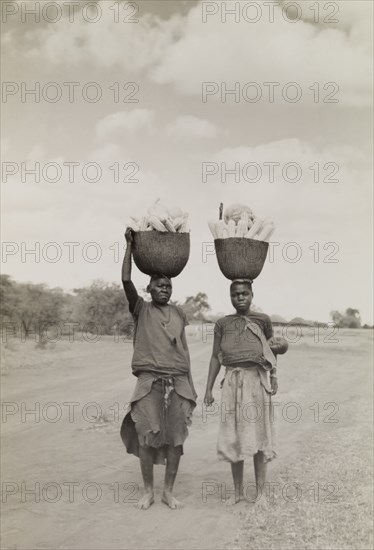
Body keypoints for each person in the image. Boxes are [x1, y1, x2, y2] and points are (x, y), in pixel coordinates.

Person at [120, 228, 197, 510]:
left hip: (176, 383)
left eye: (169, 286)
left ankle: (168, 491)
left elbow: (184, 351)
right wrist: (129, 246)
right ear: (149, 289)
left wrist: (191, 386)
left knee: (176, 440)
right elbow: (126, 279)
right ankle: (148, 491)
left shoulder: (179, 314)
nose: (165, 289)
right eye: (159, 285)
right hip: (149, 383)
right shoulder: (141, 309)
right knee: (147, 437)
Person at [204, 279, 287, 505]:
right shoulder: (222, 324)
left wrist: (274, 376)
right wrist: (208, 388)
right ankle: (238, 492)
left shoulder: (263, 320)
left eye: (244, 293)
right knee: (234, 437)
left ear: (252, 295)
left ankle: (260, 493)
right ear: (230, 297)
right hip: (232, 381)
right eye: (235, 294)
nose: (240, 297)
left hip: (256, 381)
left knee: (259, 436)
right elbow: (215, 357)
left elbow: (272, 351)